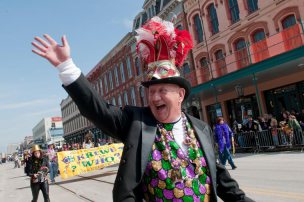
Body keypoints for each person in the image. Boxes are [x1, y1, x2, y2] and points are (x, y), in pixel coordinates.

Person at [32, 17, 253, 201]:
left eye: (162, 90)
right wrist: (66, 67)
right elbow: (96, 109)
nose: (154, 97)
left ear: (180, 94)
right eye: (150, 90)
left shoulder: (201, 128)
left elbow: (223, 183)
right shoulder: (136, 122)